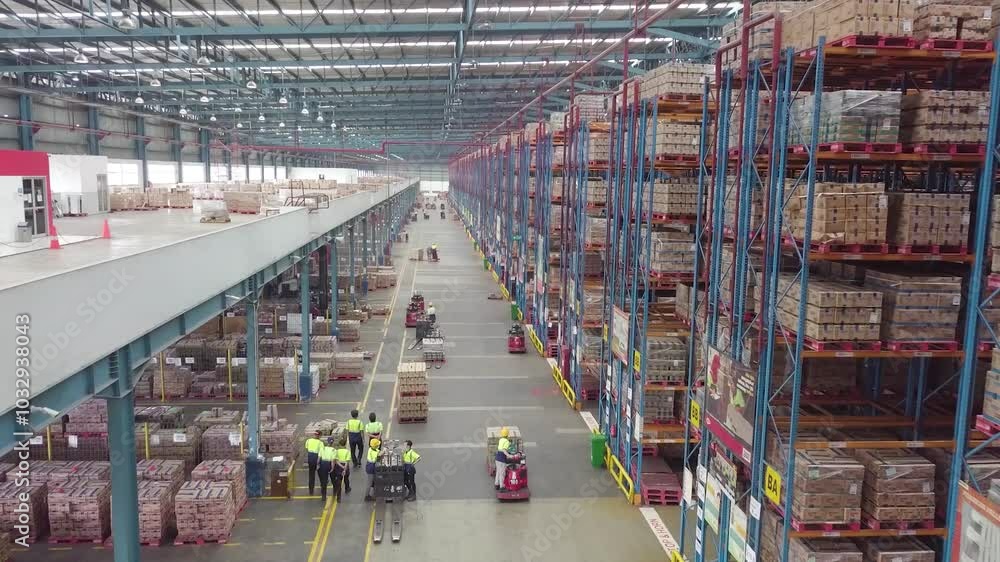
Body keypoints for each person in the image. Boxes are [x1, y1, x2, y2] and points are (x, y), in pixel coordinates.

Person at [495, 427, 515, 491]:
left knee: (498, 472)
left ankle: (497, 484)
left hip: (497, 458)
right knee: (502, 473)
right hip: (501, 459)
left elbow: (500, 448)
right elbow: (504, 449)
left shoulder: (501, 440)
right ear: (507, 434)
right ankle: (502, 487)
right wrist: (509, 455)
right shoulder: (506, 441)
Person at [305, 430, 324, 495]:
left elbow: (306, 449)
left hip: (310, 457)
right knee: (321, 473)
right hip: (317, 457)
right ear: (319, 435)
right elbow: (321, 453)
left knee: (311, 474)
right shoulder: (320, 443)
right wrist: (318, 462)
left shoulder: (308, 440)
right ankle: (323, 487)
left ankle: (311, 490)